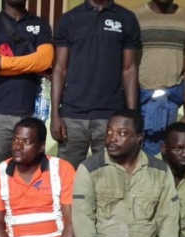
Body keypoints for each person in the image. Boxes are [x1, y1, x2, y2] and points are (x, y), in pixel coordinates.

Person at [51, 0, 140, 168]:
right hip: (72, 116)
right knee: (67, 176)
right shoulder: (70, 19)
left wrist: (132, 116)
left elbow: (129, 69)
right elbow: (60, 69)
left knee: (108, 175)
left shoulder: (126, 18)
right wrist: (55, 114)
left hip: (111, 116)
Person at [0, 0, 53, 160]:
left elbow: (45, 61)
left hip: (34, 113)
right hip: (1, 113)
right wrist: (32, 63)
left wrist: (4, 62)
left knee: (32, 167)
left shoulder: (40, 25)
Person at [133, 0, 185, 155]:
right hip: (138, 98)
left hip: (170, 101)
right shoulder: (135, 17)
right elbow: (127, 63)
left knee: (160, 156)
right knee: (132, 155)